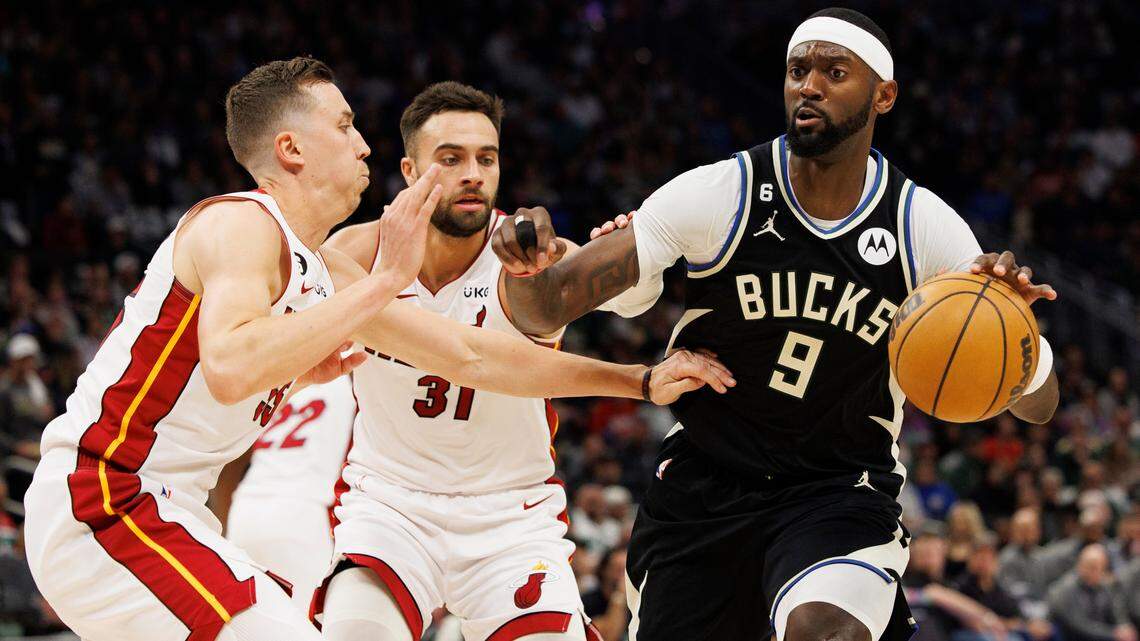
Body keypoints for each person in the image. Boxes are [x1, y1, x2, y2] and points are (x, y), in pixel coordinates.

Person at [20, 58, 731, 641]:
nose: (358, 142)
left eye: (486, 157)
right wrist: (388, 280)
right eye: (344, 124)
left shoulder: (313, 263)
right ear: (293, 149)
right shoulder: (248, 228)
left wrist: (301, 373)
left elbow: (470, 353)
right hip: (112, 498)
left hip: (494, 517)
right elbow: (233, 367)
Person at [493, 8, 1061, 640]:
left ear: (884, 95)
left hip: (840, 488)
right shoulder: (719, 193)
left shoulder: (924, 229)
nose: (809, 85)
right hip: (705, 482)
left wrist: (1018, 334)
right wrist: (531, 262)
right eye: (798, 71)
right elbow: (544, 307)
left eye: (834, 72)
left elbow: (1039, 406)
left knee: (823, 632)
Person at [309, 82, 726, 641]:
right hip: (390, 505)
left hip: (510, 516)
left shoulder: (535, 261)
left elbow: (635, 300)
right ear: (410, 171)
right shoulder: (354, 255)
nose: (473, 174)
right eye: (451, 159)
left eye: (487, 158)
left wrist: (613, 249)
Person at [218, 375, 355, 610]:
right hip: (301, 512)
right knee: (311, 627)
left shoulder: (290, 379)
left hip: (246, 508)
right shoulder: (355, 382)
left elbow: (231, 464)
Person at [1046, 544, 1137, 641]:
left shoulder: (1105, 586)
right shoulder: (1063, 590)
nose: (1097, 572)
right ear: (1080, 565)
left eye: (1101, 567)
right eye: (1092, 567)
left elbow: (1116, 612)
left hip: (1102, 636)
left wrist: (1123, 626)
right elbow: (1079, 625)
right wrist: (1113, 634)